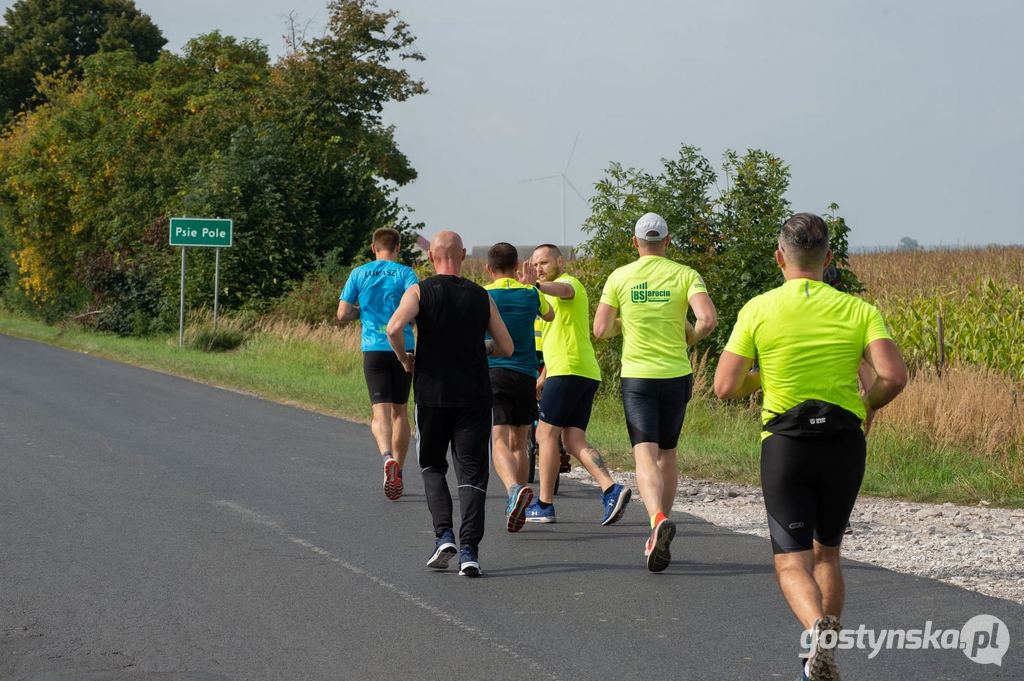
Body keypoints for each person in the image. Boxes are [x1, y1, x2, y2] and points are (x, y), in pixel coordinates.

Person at [713, 213, 907, 681]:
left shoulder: (758, 309)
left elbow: (724, 386)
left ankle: (815, 628)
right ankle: (820, 650)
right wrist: (866, 404)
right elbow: (893, 377)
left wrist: (767, 377)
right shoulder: (860, 311)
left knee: (791, 560)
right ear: (829, 259)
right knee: (829, 552)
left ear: (780, 257)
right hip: (843, 443)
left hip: (786, 445)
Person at [593, 213, 717, 572]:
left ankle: (656, 521)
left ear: (635, 242)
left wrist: (625, 321)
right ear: (667, 241)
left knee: (644, 456)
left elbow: (600, 329)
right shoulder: (685, 274)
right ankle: (659, 526)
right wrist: (690, 336)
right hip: (677, 375)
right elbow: (707, 319)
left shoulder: (620, 276)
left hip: (638, 378)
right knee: (668, 454)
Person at [386, 231, 513, 577]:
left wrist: (404, 359)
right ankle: (470, 551)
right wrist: (482, 348)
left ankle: (444, 535)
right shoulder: (480, 295)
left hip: (431, 395)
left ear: (431, 258)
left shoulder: (419, 292)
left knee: (431, 465)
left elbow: (394, 327)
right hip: (474, 396)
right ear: (463, 255)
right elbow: (507, 346)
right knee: (472, 473)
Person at [524, 244, 631, 525]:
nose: (539, 269)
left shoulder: (568, 283)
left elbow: (564, 291)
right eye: (535, 265)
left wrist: (536, 285)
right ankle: (611, 489)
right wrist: (543, 377)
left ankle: (544, 505)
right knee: (572, 439)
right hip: (578, 372)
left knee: (544, 435)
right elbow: (557, 342)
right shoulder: (545, 300)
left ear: (560, 261)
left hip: (569, 372)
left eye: (544, 263)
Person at [337, 227, 419, 501]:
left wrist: (363, 312)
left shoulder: (359, 273)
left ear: (374, 248)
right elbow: (416, 307)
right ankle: (399, 469)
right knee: (400, 413)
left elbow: (342, 313)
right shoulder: (406, 274)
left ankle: (386, 458)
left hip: (374, 348)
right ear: (398, 247)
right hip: (403, 346)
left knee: (379, 412)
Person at [483, 243, 554, 532]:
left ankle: (513, 490)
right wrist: (529, 287)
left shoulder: (484, 294)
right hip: (526, 374)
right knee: (520, 441)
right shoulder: (530, 293)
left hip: (494, 372)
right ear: (517, 266)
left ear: (489, 268)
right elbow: (549, 316)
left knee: (498, 437)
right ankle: (521, 500)